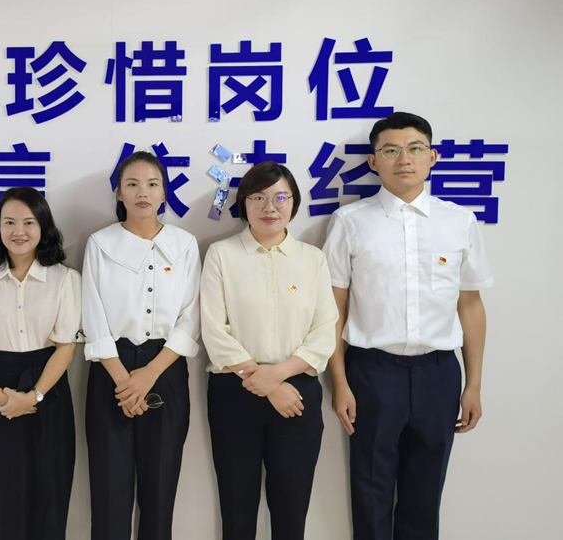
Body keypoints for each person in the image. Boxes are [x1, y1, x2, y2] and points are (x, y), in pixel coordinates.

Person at [323, 111, 493, 540]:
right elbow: (333, 308)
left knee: (425, 491)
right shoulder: (350, 221)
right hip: (372, 371)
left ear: (432, 157)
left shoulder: (459, 221)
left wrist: (473, 384)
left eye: (415, 148)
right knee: (371, 487)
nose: (404, 159)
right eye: (391, 150)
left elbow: (470, 305)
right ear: (373, 161)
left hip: (439, 373)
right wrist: (339, 381)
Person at [201, 161, 338, 540]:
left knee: (291, 510)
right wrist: (266, 382)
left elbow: (325, 329)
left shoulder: (312, 259)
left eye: (280, 197)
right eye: (258, 198)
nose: (269, 207)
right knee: (237, 509)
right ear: (243, 203)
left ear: (294, 203)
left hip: (297, 393)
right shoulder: (221, 255)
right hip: (234, 392)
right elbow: (213, 329)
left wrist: (278, 376)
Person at [82, 151, 201, 540]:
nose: (142, 193)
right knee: (109, 496)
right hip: (110, 370)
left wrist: (149, 374)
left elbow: (191, 317)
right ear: (119, 193)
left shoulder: (184, 244)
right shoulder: (100, 243)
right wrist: (124, 382)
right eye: (132, 184)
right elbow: (92, 316)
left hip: (164, 368)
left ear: (164, 192)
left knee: (160, 494)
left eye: (152, 184)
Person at [0, 187, 80, 540]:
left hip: (48, 390)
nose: (18, 231)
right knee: (0, 495)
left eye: (29, 222)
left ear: (43, 226)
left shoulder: (65, 279)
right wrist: (2, 398)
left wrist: (33, 397)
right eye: (9, 222)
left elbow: (66, 347)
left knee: (50, 492)